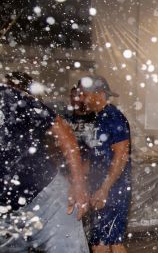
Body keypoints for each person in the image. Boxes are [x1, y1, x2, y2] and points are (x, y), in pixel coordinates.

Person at [0, 81, 89, 252]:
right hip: (4, 214)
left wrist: (78, 182)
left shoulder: (9, 96)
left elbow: (61, 129)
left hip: (47, 197)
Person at [78, 76, 132, 253]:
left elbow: (121, 155)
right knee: (99, 244)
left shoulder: (113, 117)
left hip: (114, 190)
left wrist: (105, 187)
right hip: (101, 189)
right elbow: (95, 158)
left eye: (85, 94)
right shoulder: (98, 119)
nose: (81, 99)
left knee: (112, 242)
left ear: (99, 94)